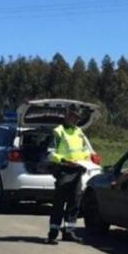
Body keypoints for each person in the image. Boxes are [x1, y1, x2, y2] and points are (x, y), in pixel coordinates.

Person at [47, 105, 93, 244]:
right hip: (64, 170)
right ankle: (53, 233)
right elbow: (50, 153)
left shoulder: (79, 132)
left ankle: (69, 232)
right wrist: (64, 160)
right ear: (67, 115)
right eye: (73, 116)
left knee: (74, 202)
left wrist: (86, 159)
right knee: (59, 203)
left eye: (77, 117)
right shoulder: (58, 131)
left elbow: (85, 150)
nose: (75, 119)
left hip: (78, 169)